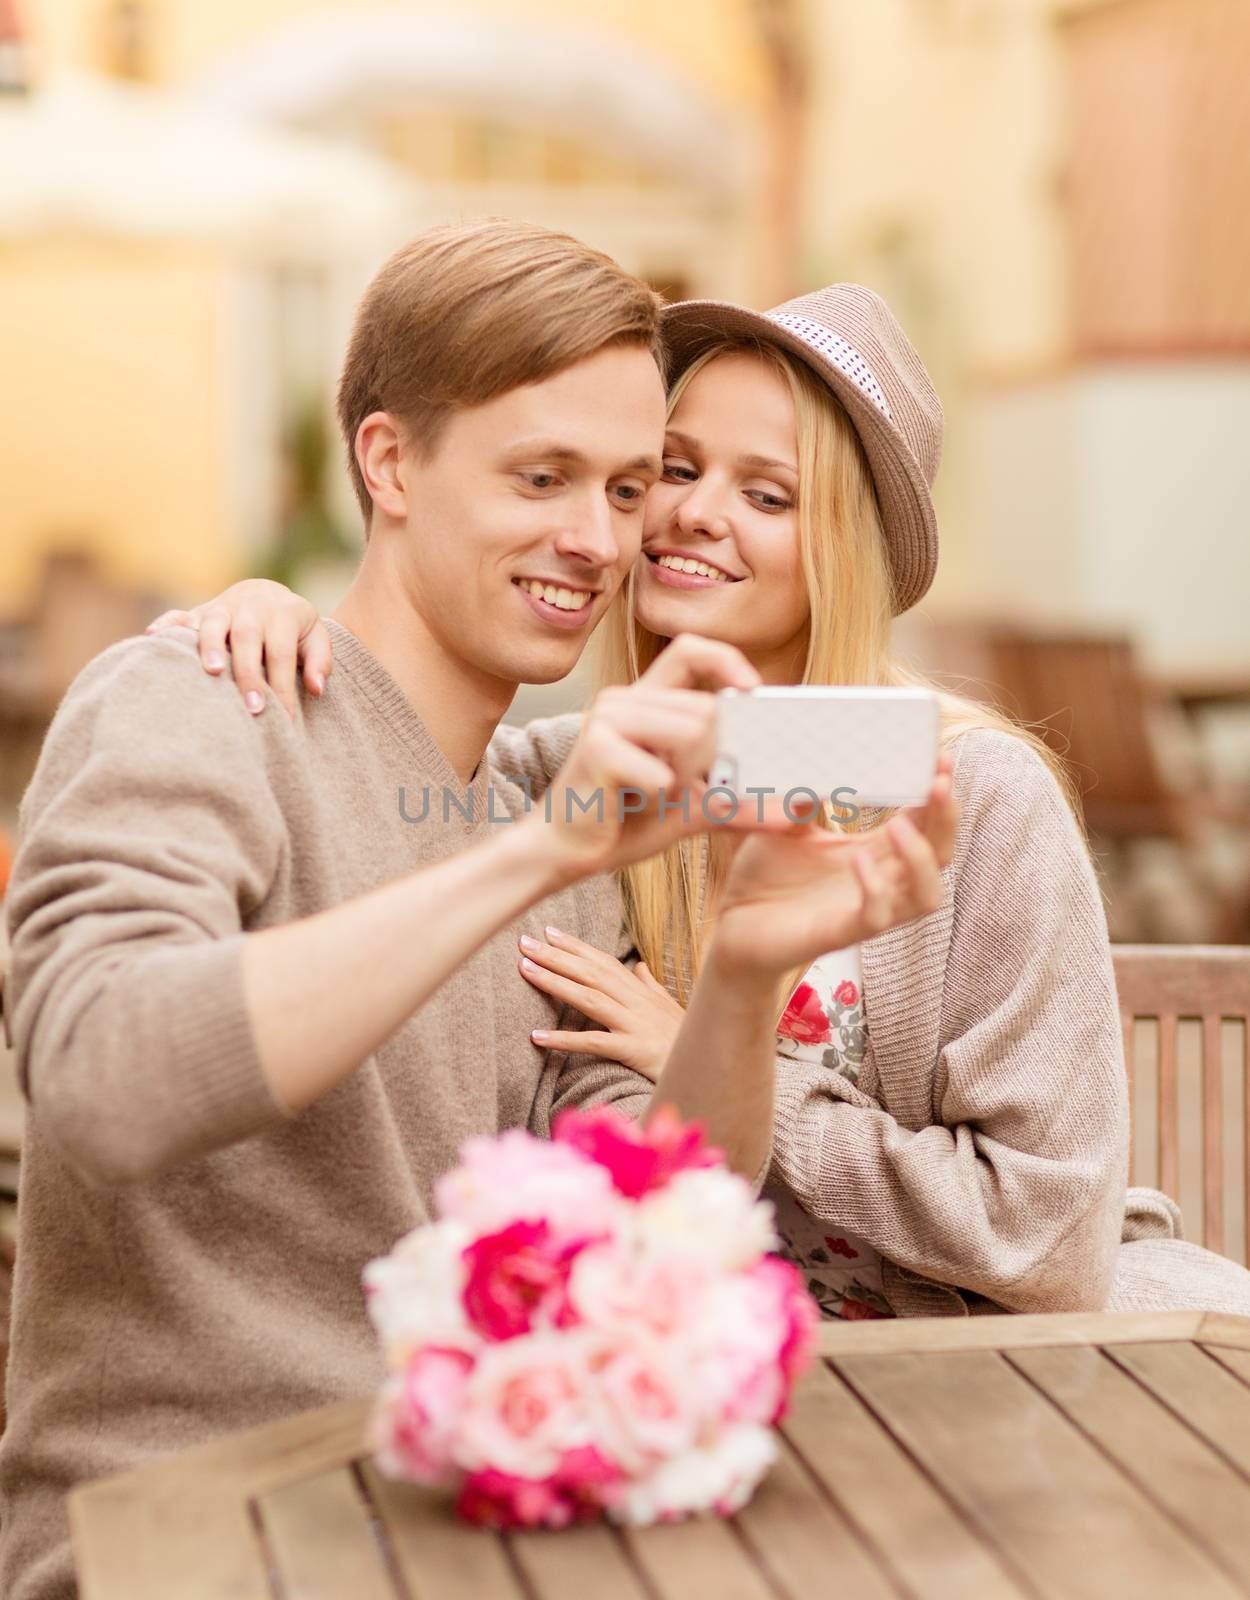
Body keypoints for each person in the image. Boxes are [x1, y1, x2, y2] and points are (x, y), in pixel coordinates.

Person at [0, 222, 957, 1600]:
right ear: (388, 463)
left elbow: (643, 1213)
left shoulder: (542, 798)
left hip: (459, 1526)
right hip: (191, 1541)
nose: (594, 539)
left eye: (629, 488)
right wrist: (531, 864)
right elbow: (102, 1081)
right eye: (540, 476)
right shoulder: (197, 704)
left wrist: (743, 977)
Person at [176, 281, 1250, 1324]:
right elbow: (421, 766)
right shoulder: (593, 771)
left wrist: (730, 1059)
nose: (692, 514)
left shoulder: (962, 792)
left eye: (766, 494)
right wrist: (272, 611)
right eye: (674, 471)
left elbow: (1045, 1239)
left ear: (841, 545)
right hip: (721, 1382)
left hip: (1007, 1363)